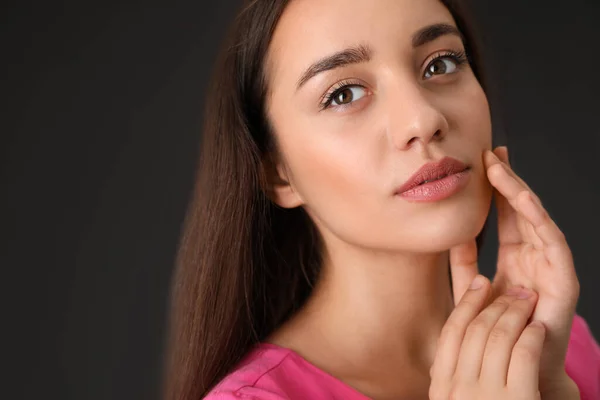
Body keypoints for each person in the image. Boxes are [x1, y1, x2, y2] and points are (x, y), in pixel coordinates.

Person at [162, 0, 600, 399]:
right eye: (344, 94)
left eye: (440, 64)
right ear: (278, 173)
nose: (424, 119)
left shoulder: (556, 346)